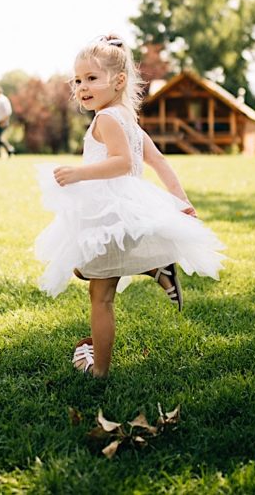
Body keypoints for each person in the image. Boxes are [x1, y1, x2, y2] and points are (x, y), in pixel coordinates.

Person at [34, 35, 225, 377]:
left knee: (100, 296)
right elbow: (159, 162)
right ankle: (157, 269)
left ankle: (100, 371)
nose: (82, 87)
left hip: (108, 211)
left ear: (118, 80)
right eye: (77, 80)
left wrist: (79, 173)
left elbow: (122, 163)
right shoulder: (128, 120)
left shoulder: (107, 119)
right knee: (83, 268)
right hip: (122, 209)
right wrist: (180, 200)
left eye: (91, 78)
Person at [0, 87, 16, 157]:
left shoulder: (3, 100)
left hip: (3, 122)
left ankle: (10, 149)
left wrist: (3, 121)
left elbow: (8, 112)